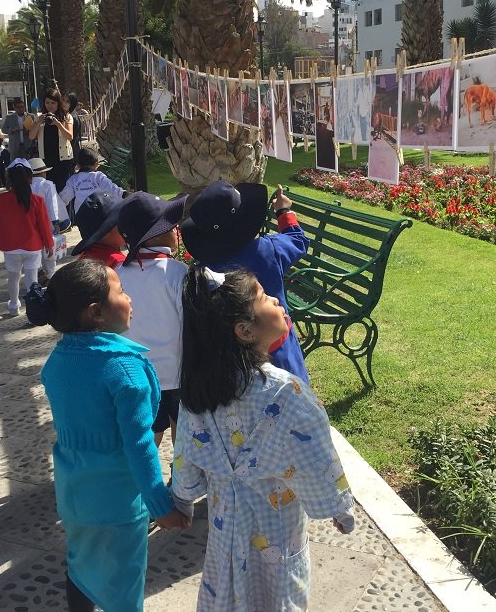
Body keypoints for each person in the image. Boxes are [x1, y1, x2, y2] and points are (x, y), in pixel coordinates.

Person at [171, 265, 355, 611]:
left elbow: (186, 454)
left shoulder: (200, 392)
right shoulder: (287, 393)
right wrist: (339, 508)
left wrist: (181, 497)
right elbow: (317, 454)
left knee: (224, 594)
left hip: (224, 527)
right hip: (276, 530)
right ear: (245, 330)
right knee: (277, 596)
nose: (274, 298)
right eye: (262, 297)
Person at [27, 260, 189, 612]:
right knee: (124, 585)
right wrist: (161, 506)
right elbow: (141, 445)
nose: (129, 299)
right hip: (117, 504)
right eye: (121, 292)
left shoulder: (56, 361)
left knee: (81, 566)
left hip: (73, 494)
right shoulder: (126, 369)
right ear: (96, 313)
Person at [181, 181, 311, 383]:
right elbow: (297, 240)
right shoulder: (269, 249)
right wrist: (283, 210)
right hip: (279, 348)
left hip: (232, 358)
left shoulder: (202, 270)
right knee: (295, 390)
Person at [116, 192, 188, 446]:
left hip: (137, 374)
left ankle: (141, 479)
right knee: (182, 429)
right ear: (156, 234)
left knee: (147, 434)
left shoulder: (116, 275)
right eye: (171, 225)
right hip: (177, 374)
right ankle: (180, 481)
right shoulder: (178, 273)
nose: (177, 229)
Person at [0, 159, 54, 316]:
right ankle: (33, 310)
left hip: (10, 247)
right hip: (32, 246)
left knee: (13, 278)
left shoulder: (1, 199)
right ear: (30, 178)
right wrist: (49, 244)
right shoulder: (37, 200)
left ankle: (14, 306)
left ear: (9, 180)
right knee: (32, 280)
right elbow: (44, 225)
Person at [28, 157, 68, 282]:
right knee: (49, 245)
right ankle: (50, 274)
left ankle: (39, 270)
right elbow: (52, 205)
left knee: (36, 246)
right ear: (43, 172)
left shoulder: (26, 185)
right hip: (46, 220)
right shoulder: (47, 184)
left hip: (31, 221)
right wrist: (55, 221)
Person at [28, 88, 75, 192]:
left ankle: (64, 209)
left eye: (53, 103)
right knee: (48, 191)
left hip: (63, 160)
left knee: (62, 190)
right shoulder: (39, 117)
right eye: (47, 103)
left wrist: (58, 124)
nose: (50, 106)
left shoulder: (66, 117)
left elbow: (70, 136)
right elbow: (31, 136)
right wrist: (39, 122)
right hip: (45, 160)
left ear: (58, 103)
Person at [60, 147, 125, 214]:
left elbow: (63, 198)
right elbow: (112, 189)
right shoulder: (98, 177)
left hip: (81, 216)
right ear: (96, 163)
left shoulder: (73, 180)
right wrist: (125, 194)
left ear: (78, 164)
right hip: (99, 213)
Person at [71, 190, 126, 268]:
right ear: (104, 232)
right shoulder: (118, 264)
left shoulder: (86, 257)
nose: (128, 224)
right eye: (123, 221)